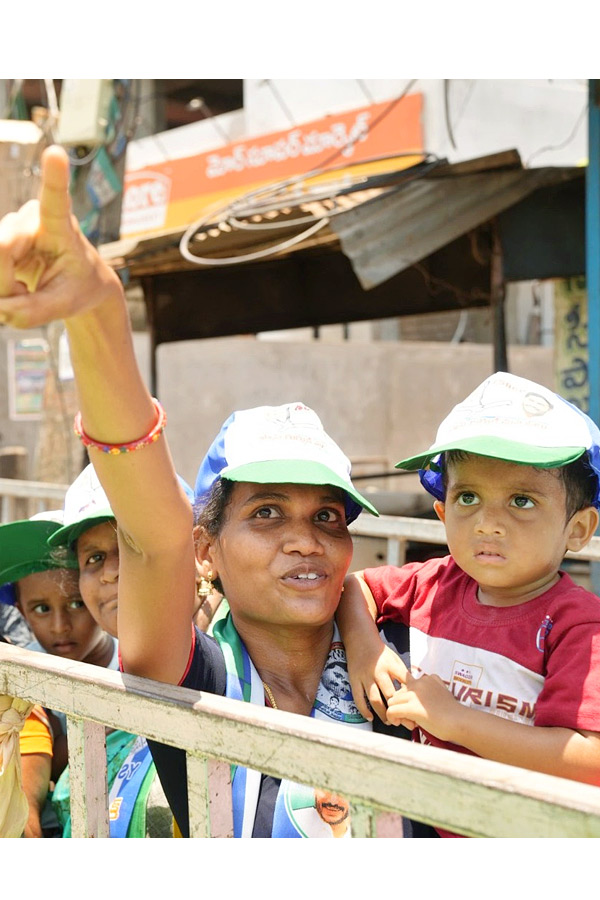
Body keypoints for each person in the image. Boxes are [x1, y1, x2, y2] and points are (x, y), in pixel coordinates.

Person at [0, 145, 420, 838]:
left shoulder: (401, 653)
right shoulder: (199, 679)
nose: (305, 538)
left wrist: (362, 622)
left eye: (327, 516)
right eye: (266, 512)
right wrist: (99, 308)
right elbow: (151, 531)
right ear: (206, 550)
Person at [337, 371, 600, 835]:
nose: (487, 523)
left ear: (578, 529)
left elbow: (586, 759)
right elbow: (356, 586)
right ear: (442, 513)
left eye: (521, 500)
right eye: (468, 497)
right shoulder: (436, 582)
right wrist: (365, 648)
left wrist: (455, 720)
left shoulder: (577, 625)